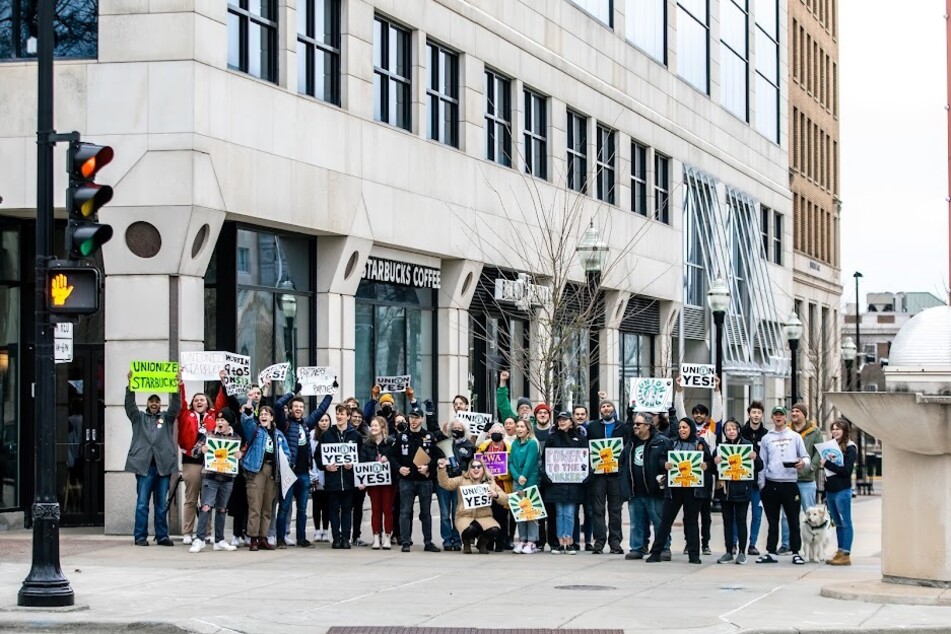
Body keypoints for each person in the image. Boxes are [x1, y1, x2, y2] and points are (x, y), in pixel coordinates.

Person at [124, 370, 182, 546]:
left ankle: (162, 535)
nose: (154, 404)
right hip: (144, 467)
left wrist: (176, 386)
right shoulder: (138, 418)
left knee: (161, 504)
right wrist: (130, 385)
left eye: (157, 401)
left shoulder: (167, 418)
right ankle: (140, 536)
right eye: (152, 401)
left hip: (162, 466)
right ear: (147, 403)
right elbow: (129, 405)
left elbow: (176, 406)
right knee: (142, 503)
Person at [647, 418, 714, 564]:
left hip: (693, 490)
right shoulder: (672, 443)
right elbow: (661, 459)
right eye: (680, 428)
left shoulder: (699, 443)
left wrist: (706, 466)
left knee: (691, 522)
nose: (682, 430)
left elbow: (710, 462)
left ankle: (694, 554)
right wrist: (665, 464)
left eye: (685, 427)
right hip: (674, 489)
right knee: (666, 521)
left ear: (691, 428)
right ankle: (656, 552)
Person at [274, 387, 333, 549]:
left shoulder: (307, 424)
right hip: (288, 472)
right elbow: (278, 405)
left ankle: (301, 538)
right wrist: (293, 393)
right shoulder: (284, 423)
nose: (299, 409)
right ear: (291, 409)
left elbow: (321, 410)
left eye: (301, 407)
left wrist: (330, 393)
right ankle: (280, 539)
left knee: (302, 509)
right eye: (296, 407)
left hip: (304, 473)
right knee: (285, 507)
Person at [176, 370, 228, 545]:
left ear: (207, 403)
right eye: (196, 400)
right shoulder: (185, 414)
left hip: (211, 462)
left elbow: (222, 401)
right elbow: (180, 401)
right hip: (191, 461)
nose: (199, 402)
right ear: (193, 403)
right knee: (191, 499)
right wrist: (180, 383)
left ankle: (206, 532)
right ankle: (188, 532)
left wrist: (223, 382)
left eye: (202, 400)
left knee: (207, 500)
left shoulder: (213, 415)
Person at [674, 375, 722, 556]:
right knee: (688, 512)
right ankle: (689, 542)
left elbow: (718, 411)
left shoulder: (711, 428)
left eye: (702, 413)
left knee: (705, 513)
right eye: (695, 413)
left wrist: (716, 390)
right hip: (688, 472)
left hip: (706, 472)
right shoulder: (688, 429)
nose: (698, 415)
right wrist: (679, 390)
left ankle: (705, 543)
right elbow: (679, 412)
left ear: (706, 416)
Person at [755, 407, 809, 565]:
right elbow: (762, 462)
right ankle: (771, 552)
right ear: (772, 417)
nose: (778, 418)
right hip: (771, 483)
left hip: (790, 483)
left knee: (793, 520)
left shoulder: (795, 437)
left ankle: (796, 552)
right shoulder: (766, 438)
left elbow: (806, 457)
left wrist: (802, 463)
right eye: (776, 415)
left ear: (786, 418)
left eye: (781, 415)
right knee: (772, 521)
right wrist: (761, 484)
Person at [189, 408, 243, 553]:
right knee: (206, 506)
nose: (219, 422)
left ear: (228, 422)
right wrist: (202, 450)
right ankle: (200, 539)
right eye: (218, 420)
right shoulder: (209, 435)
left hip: (227, 478)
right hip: (210, 476)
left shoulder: (236, 437)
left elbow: (238, 456)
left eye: (222, 420)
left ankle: (219, 540)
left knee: (222, 509)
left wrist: (239, 455)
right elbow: (194, 451)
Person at [621, 412, 671, 561]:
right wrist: (623, 482)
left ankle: (663, 548)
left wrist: (664, 476)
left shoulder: (662, 442)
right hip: (635, 490)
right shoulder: (630, 443)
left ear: (648, 426)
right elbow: (622, 462)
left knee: (659, 521)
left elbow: (668, 461)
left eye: (638, 424)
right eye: (634, 424)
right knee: (636, 523)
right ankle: (637, 548)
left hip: (654, 490)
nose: (634, 427)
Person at [240, 403, 289, 551]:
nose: (263, 416)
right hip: (256, 470)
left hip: (272, 471)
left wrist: (286, 462)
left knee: (268, 506)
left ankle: (263, 537)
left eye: (266, 414)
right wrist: (249, 409)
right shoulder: (255, 430)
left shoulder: (278, 434)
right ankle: (253, 538)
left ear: (272, 418)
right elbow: (246, 421)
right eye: (261, 414)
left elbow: (286, 453)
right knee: (255, 505)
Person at [436, 457, 509, 554]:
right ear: (469, 469)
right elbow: (445, 483)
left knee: (495, 530)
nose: (476, 469)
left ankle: (482, 544)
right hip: (465, 516)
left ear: (483, 468)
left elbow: (504, 499)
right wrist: (442, 469)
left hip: (484, 516)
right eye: (473, 467)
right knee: (469, 529)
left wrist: (496, 495)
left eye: (479, 467)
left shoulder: (490, 482)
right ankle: (466, 542)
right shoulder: (462, 480)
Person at [585, 395, 629, 555]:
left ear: (614, 409)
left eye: (609, 406)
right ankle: (599, 541)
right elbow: (586, 448)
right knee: (598, 509)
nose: (606, 409)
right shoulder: (592, 427)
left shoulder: (622, 427)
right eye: (603, 407)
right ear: (600, 411)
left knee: (615, 509)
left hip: (616, 474)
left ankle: (615, 542)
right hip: (598, 475)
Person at [713, 419, 761, 564]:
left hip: (743, 489)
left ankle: (742, 551)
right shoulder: (721, 448)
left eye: (733, 428)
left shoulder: (748, 445)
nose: (731, 431)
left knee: (741, 520)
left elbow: (759, 466)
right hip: (725, 490)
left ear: (738, 430)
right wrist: (715, 462)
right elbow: (711, 468)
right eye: (728, 429)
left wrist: (755, 458)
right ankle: (728, 551)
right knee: (727, 521)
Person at [540, 411, 588, 555]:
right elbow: (545, 459)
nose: (562, 422)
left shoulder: (580, 438)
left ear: (571, 422)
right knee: (559, 513)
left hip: (573, 483)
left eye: (565, 420)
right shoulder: (552, 438)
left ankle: (570, 542)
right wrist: (546, 475)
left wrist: (585, 475)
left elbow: (585, 460)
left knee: (570, 513)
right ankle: (560, 543)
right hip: (556, 483)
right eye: (560, 420)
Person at [316, 404, 363, 549]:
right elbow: (318, 456)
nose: (339, 416)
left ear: (348, 417)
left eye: (342, 414)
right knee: (334, 509)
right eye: (337, 413)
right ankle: (336, 537)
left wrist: (353, 465)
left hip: (349, 480)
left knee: (347, 509)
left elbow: (361, 457)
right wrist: (326, 466)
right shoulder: (327, 434)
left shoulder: (355, 436)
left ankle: (346, 538)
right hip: (333, 480)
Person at [780, 402, 823, 554]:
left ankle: (812, 544)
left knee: (809, 514)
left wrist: (811, 467)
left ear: (804, 414)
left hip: (807, 479)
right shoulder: (786, 431)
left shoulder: (815, 432)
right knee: (786, 514)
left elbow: (819, 452)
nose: (794, 414)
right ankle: (786, 544)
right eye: (793, 411)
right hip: (789, 479)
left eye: (798, 411)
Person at [396, 408, 441, 552]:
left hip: (424, 480)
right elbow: (391, 455)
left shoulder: (428, 436)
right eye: (411, 418)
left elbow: (438, 455)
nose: (413, 421)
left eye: (416, 418)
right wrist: (399, 468)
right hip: (406, 480)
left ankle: (428, 542)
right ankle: (405, 542)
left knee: (425, 512)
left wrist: (428, 467)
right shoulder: (402, 436)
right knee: (405, 511)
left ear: (421, 419)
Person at [435, 417, 475, 551]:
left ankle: (457, 539)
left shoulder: (469, 445)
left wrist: (452, 461)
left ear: (464, 430)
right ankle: (447, 540)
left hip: (459, 482)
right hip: (444, 481)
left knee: (456, 513)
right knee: (445, 513)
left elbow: (466, 463)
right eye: (454, 428)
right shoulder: (444, 442)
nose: (457, 430)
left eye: (460, 428)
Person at [823, 419, 857, 566]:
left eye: (838, 429)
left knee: (846, 522)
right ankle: (840, 550)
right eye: (833, 429)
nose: (835, 431)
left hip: (842, 490)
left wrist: (827, 464)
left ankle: (846, 553)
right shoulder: (831, 447)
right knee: (837, 523)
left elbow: (846, 471)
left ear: (845, 431)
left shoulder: (850, 448)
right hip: (830, 490)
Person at [361, 416, 397, 549]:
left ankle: (387, 536)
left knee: (387, 509)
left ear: (383, 427)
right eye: (372, 425)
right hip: (373, 483)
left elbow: (396, 459)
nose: (374, 428)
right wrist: (363, 481)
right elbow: (363, 463)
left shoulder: (391, 443)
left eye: (376, 425)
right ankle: (376, 537)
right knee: (375, 510)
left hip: (388, 482)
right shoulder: (367, 444)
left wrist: (388, 459)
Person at [476, 422, 513, 551]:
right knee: (487, 516)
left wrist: (501, 475)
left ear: (503, 434)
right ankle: (488, 542)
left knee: (502, 517)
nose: (496, 433)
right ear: (489, 434)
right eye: (494, 431)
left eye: (499, 431)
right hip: (486, 488)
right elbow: (477, 466)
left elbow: (511, 470)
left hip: (502, 487)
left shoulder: (509, 449)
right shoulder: (483, 448)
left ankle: (501, 543)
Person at [740, 401, 768, 556]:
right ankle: (737, 543)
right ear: (749, 413)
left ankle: (752, 544)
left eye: (759, 412)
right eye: (753, 412)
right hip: (742, 479)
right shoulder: (741, 432)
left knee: (757, 514)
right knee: (741, 514)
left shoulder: (767, 435)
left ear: (762, 415)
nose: (756, 415)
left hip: (759, 481)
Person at [509, 419, 540, 554]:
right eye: (518, 426)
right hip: (517, 480)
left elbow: (530, 462)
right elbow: (510, 463)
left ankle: (532, 542)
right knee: (520, 511)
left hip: (530, 480)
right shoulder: (515, 443)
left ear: (528, 429)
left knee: (531, 513)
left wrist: (523, 477)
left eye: (522, 427)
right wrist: (517, 476)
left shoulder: (532, 443)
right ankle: (522, 540)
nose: (519, 429)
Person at [309, 413, 332, 542]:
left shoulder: (332, 434)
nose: (324, 423)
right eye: (321, 420)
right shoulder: (312, 435)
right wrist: (313, 475)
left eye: (326, 420)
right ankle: (317, 530)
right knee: (317, 504)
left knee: (327, 504)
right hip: (315, 472)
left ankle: (325, 530)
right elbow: (311, 456)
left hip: (329, 474)